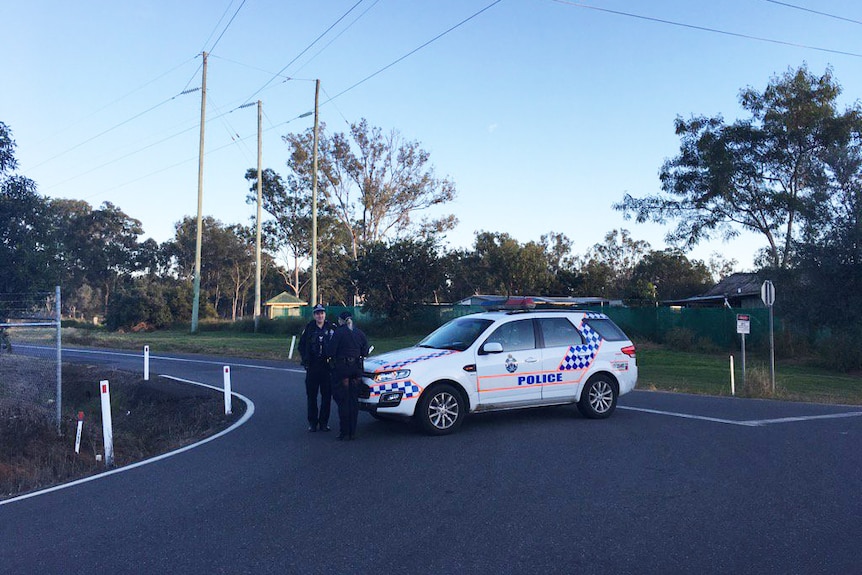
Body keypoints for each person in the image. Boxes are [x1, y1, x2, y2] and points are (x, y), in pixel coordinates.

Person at [325, 311, 370, 440]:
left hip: (342, 369)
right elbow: (365, 352)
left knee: (343, 401)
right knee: (353, 401)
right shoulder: (359, 332)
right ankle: (353, 432)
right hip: (356, 370)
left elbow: (330, 352)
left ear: (341, 320)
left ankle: (344, 432)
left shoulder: (338, 333)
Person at [298, 304, 336, 432]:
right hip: (313, 366)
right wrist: (305, 359)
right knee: (312, 396)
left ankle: (324, 423)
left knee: (326, 396)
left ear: (325, 314)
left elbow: (337, 345)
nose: (320, 316)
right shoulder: (309, 328)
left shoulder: (331, 328)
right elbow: (301, 346)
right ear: (314, 315)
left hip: (327, 367)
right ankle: (313, 423)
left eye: (322, 313)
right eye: (317, 313)